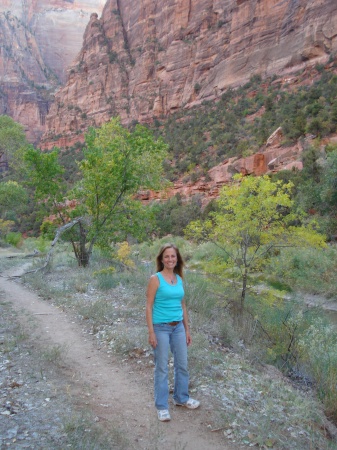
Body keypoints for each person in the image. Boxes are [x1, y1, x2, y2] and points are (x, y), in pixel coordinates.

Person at [146, 243, 200, 422]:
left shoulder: (179, 278)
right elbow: (148, 305)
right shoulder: (156, 279)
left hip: (178, 328)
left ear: (177, 259)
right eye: (167, 256)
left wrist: (187, 329)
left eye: (173, 256)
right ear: (161, 259)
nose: (170, 259)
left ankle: (181, 398)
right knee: (161, 367)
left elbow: (182, 304)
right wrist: (151, 332)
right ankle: (161, 406)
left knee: (182, 364)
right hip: (160, 327)